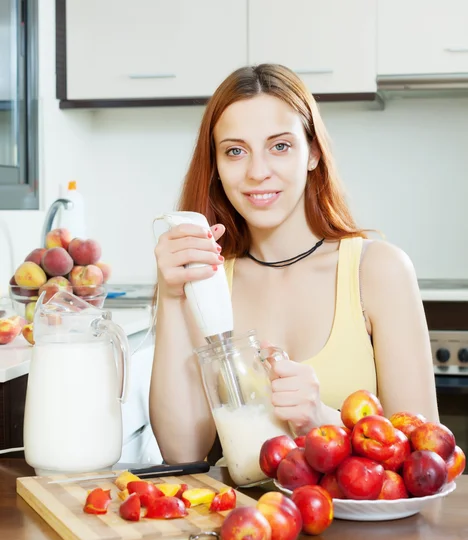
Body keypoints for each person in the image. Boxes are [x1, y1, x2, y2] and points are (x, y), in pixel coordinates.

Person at [149, 63, 438, 465]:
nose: (257, 172)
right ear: (215, 166)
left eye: (280, 146)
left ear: (313, 153)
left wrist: (320, 419)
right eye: (235, 150)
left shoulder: (378, 272)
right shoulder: (207, 283)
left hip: (353, 527)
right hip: (243, 523)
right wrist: (171, 294)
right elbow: (182, 453)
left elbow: (421, 455)